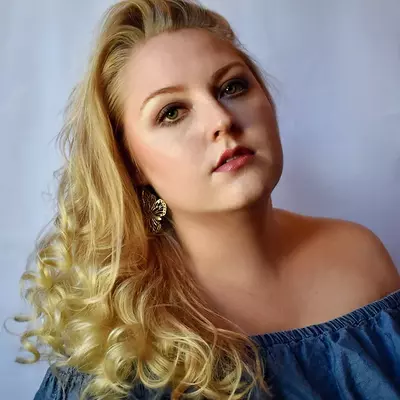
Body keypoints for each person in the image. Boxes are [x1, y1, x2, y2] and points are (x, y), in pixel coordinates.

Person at [17, 0, 400, 399]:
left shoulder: (362, 256)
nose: (221, 120)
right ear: (131, 163)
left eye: (232, 87)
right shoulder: (117, 337)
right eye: (171, 112)